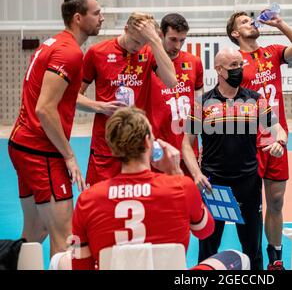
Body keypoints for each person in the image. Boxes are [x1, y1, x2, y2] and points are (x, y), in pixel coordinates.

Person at [7, 0, 103, 257]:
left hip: (22, 145)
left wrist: (97, 106)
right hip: (42, 152)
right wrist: (69, 156)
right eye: (96, 13)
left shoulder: (53, 44)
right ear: (78, 18)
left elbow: (60, 96)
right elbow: (45, 109)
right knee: (65, 242)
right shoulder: (70, 53)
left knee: (34, 235)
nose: (102, 18)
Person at [69, 107, 215, 269]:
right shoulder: (181, 187)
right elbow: (206, 231)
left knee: (60, 260)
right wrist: (175, 173)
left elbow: (80, 265)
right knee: (235, 257)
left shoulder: (87, 200)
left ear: (112, 146)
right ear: (148, 142)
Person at [182, 48, 287, 270]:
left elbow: (278, 128)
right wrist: (197, 173)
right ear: (219, 70)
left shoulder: (255, 99)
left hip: (248, 183)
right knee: (208, 247)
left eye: (241, 65)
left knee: (253, 249)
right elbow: (186, 144)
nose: (239, 69)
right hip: (214, 185)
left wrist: (280, 142)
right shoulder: (203, 103)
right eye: (233, 66)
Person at [226, 5, 292, 270]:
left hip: (277, 136)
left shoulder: (272, 52)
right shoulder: (233, 59)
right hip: (249, 140)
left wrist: (280, 24)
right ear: (234, 32)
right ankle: (252, 258)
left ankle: (275, 257)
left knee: (276, 201)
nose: (251, 23)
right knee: (251, 205)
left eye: (250, 20)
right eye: (244, 21)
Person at [77, 12, 177, 186]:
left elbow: (171, 82)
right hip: (105, 145)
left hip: (138, 146)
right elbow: (73, 97)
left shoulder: (149, 51)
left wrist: (154, 41)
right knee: (102, 202)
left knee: (140, 203)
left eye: (144, 42)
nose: (139, 47)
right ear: (125, 29)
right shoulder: (97, 53)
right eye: (136, 41)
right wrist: (100, 107)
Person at [145, 13, 204, 174]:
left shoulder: (195, 62)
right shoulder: (147, 60)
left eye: (182, 40)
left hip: (188, 146)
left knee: (188, 195)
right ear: (160, 35)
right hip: (157, 146)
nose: (178, 45)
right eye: (173, 39)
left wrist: (201, 137)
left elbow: (199, 103)